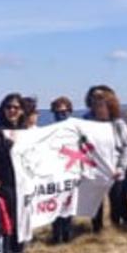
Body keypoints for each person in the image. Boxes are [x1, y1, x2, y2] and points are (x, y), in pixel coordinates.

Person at [0, 93, 27, 253]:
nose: (12, 110)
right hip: (6, 181)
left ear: (21, 111)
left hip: (24, 181)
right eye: (8, 107)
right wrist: (10, 144)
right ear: (3, 110)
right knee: (6, 217)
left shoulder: (25, 131)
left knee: (22, 217)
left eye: (16, 107)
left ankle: (19, 251)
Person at [89, 89, 127, 232]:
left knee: (117, 199)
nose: (98, 108)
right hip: (96, 170)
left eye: (101, 105)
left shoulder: (119, 124)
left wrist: (121, 167)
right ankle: (97, 229)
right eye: (95, 105)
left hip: (115, 169)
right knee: (96, 201)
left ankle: (118, 226)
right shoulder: (90, 124)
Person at [48, 96, 75, 244]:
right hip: (54, 173)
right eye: (58, 112)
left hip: (71, 172)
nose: (61, 115)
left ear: (70, 112)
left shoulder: (76, 130)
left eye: (64, 112)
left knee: (69, 204)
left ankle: (68, 234)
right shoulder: (49, 131)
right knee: (56, 205)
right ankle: (56, 235)